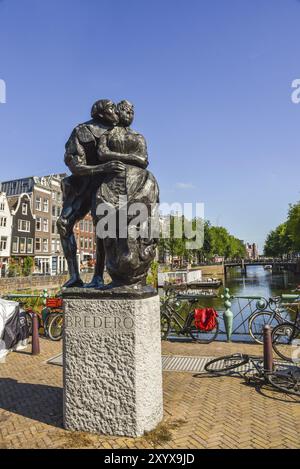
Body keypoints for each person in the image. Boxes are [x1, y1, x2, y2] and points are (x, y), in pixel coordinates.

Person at [57, 99, 125, 288]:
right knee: (63, 224)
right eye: (112, 108)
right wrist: (103, 166)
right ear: (100, 113)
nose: (116, 111)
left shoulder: (119, 131)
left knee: (102, 226)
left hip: (109, 185)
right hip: (84, 184)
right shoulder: (82, 131)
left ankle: (98, 276)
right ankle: (74, 276)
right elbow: (75, 166)